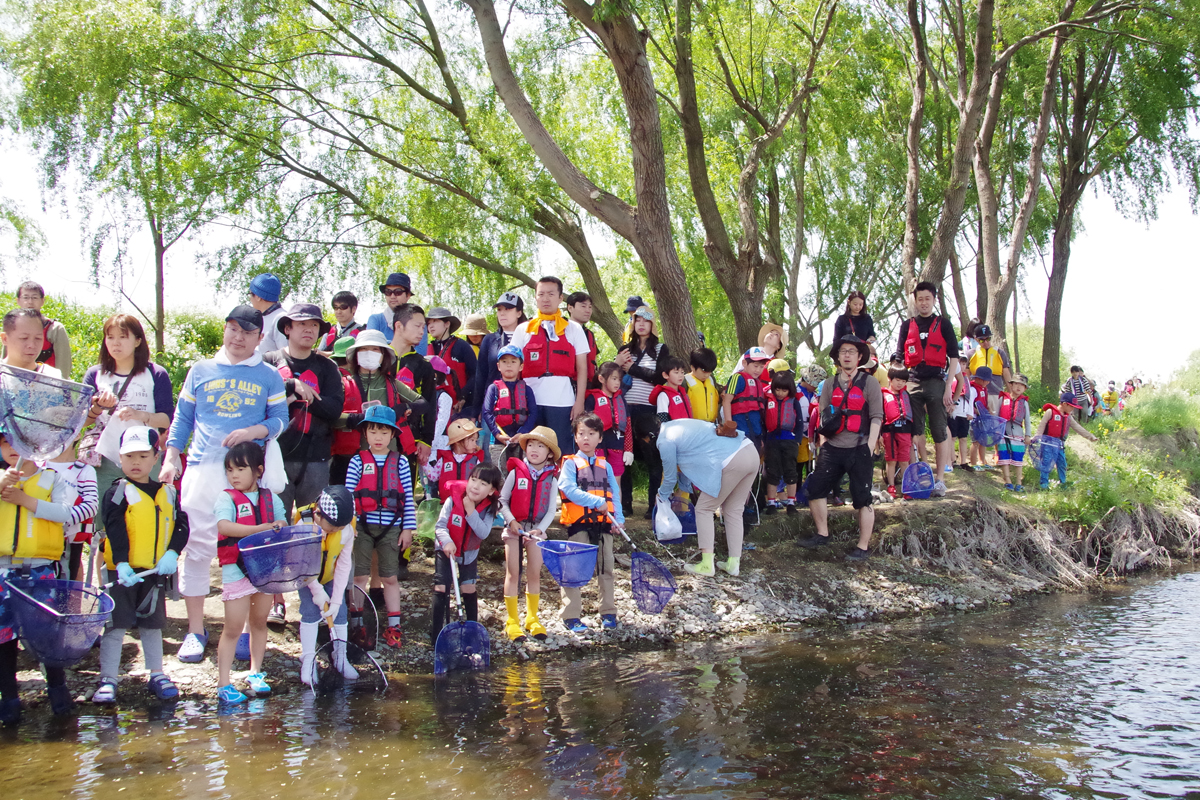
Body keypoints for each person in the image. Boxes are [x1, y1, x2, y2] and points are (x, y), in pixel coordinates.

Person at [160, 305, 288, 663]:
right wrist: (172, 456)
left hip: (247, 475)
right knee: (198, 548)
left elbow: (281, 419)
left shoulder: (269, 375)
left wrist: (254, 432)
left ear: (259, 339)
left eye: (247, 333)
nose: (238, 337)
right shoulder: (199, 370)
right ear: (225, 330)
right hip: (201, 470)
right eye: (233, 329)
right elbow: (182, 419)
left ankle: (248, 630)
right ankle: (195, 631)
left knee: (250, 549)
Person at [94, 426, 188, 706]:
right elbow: (113, 527)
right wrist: (121, 563)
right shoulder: (118, 491)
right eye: (129, 456)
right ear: (120, 459)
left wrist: (172, 553)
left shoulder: (169, 493)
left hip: (156, 570)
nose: (136, 462)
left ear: (156, 457)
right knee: (115, 626)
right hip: (123, 573)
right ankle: (108, 678)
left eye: (143, 456)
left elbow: (182, 525)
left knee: (153, 624)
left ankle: (157, 674)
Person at [0, 422, 77, 720]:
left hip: (40, 570)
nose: (12, 450)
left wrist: (26, 501)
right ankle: (9, 697)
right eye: (5, 443)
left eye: (18, 444)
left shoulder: (51, 479)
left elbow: (65, 513)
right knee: (4, 636)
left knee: (46, 633)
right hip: (4, 571)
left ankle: (58, 691)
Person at [80, 313, 175, 520]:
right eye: (110, 337)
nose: (115, 343)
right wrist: (97, 407)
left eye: (123, 337)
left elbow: (166, 419)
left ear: (137, 340)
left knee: (146, 518)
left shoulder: (155, 374)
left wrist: (140, 415)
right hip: (105, 458)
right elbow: (82, 421)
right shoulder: (95, 374)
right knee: (106, 522)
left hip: (145, 456)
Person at [213, 441, 286, 704]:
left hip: (265, 571)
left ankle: (255, 673)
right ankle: (224, 683)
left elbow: (282, 524)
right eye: (230, 469)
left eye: (240, 469)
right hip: (237, 572)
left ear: (258, 470)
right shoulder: (225, 498)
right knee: (232, 627)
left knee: (259, 622)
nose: (234, 475)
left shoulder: (272, 498)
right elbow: (225, 526)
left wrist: (277, 525)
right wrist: (261, 529)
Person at [798, 334, 883, 561]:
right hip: (833, 447)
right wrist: (823, 445)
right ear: (837, 356)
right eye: (843, 351)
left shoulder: (870, 383)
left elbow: (877, 416)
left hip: (859, 447)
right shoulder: (829, 384)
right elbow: (823, 417)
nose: (847, 355)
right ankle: (822, 533)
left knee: (862, 497)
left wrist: (870, 445)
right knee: (815, 489)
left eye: (852, 352)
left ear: (859, 357)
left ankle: (863, 546)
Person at [263, 303, 345, 520]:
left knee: (312, 525)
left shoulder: (327, 367)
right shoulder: (269, 362)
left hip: (316, 459)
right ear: (287, 328)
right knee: (275, 523)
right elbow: (258, 401)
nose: (309, 329)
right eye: (302, 324)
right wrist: (292, 385)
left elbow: (334, 409)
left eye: (314, 325)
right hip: (275, 456)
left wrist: (300, 397)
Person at [345, 406, 417, 648]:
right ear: (365, 434)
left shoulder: (402, 462)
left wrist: (408, 529)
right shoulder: (357, 461)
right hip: (362, 527)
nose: (378, 437)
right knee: (360, 576)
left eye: (384, 432)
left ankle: (394, 627)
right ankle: (357, 625)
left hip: (392, 528)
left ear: (392, 435)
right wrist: (350, 526)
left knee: (390, 577)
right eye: (373, 431)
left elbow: (407, 496)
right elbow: (348, 495)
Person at [657, 418, 759, 577]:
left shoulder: (664, 439)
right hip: (751, 451)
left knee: (704, 508)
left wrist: (661, 496)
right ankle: (733, 564)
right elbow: (686, 466)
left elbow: (670, 477)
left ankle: (706, 564)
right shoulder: (679, 426)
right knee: (733, 510)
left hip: (733, 458)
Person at [509, 277, 590, 459]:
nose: (546, 299)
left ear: (560, 298)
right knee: (531, 450)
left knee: (561, 450)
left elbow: (582, 369)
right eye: (541, 294)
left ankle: (561, 487)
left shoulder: (573, 329)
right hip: (530, 399)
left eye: (551, 294)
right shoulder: (523, 329)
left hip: (562, 399)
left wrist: (580, 402)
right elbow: (512, 366)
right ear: (536, 298)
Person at [557, 412, 624, 631]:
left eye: (592, 433)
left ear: (600, 438)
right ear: (575, 437)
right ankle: (571, 615)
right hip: (580, 524)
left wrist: (619, 519)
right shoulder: (570, 464)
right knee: (573, 569)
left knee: (606, 569)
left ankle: (608, 613)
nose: (586, 438)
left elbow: (614, 493)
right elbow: (567, 488)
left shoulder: (607, 466)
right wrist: (596, 501)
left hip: (604, 524)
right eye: (581, 434)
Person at [895, 281, 960, 496]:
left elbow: (953, 357)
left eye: (927, 299)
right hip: (912, 382)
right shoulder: (907, 325)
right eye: (920, 299)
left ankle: (940, 479)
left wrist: (949, 385)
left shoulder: (944, 324)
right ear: (915, 300)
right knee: (914, 430)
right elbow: (900, 359)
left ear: (934, 300)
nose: (924, 303)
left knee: (940, 430)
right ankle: (919, 475)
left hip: (936, 381)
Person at [498, 426, 560, 642]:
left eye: (540, 446)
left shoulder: (551, 479)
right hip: (515, 527)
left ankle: (532, 618)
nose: (534, 449)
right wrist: (512, 521)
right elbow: (502, 501)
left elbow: (552, 509)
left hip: (536, 530)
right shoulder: (516, 473)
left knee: (535, 573)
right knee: (513, 572)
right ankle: (512, 620)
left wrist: (540, 530)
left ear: (549, 453)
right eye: (531, 445)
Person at [430, 462, 502, 646]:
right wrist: (447, 542)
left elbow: (483, 532)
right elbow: (440, 526)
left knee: (468, 588)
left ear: (492, 490)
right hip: (446, 550)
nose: (476, 486)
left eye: (483, 484)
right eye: (473, 480)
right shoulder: (452, 500)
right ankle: (436, 633)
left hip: (469, 553)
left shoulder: (489, 509)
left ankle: (471, 631)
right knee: (441, 587)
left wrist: (470, 511)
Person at [296, 486, 359, 687]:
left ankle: (340, 656)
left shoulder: (346, 529)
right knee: (310, 612)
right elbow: (302, 564)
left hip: (331, 575)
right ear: (318, 514)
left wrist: (337, 598)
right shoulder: (304, 525)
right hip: (306, 577)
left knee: (339, 613)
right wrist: (317, 591)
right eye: (332, 528)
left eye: (339, 528)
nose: (336, 531)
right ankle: (308, 659)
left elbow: (343, 565)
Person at [617, 305, 668, 517]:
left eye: (646, 320)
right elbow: (613, 377)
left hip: (649, 411)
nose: (641, 324)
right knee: (624, 459)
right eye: (637, 320)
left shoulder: (661, 349)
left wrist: (633, 369)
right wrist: (617, 364)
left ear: (652, 324)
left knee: (653, 459)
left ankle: (652, 506)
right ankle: (625, 504)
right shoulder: (624, 349)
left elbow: (662, 376)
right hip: (626, 409)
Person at [468, 292, 527, 427]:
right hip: (493, 405)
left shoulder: (529, 337)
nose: (502, 313)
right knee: (490, 447)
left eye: (508, 309)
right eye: (499, 309)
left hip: (523, 405)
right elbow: (480, 376)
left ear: (519, 313)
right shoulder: (489, 340)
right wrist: (475, 410)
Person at [391, 303, 436, 467]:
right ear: (398, 326)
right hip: (378, 437)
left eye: (423, 327)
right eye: (417, 326)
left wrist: (426, 440)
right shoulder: (380, 358)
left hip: (410, 440)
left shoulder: (423, 365)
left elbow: (431, 405)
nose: (422, 332)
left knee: (405, 490)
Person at [481, 344, 541, 465]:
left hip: (522, 439)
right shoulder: (493, 388)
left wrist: (523, 433)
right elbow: (487, 412)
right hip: (499, 439)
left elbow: (533, 412)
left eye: (513, 361)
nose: (509, 365)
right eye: (504, 361)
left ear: (521, 366)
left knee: (521, 473)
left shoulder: (526, 389)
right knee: (500, 474)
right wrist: (497, 434)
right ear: (498, 366)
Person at [584, 361, 633, 508]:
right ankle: (595, 513)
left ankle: (616, 514)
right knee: (597, 480)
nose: (617, 382)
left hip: (617, 445)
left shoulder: (621, 400)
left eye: (619, 379)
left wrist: (629, 449)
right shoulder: (592, 399)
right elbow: (585, 426)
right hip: (597, 446)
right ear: (601, 379)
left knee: (615, 482)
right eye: (613, 378)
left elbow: (628, 426)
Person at [1035, 393, 1097, 489]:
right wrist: (1037, 437)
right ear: (1064, 404)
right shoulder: (1050, 412)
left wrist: (1090, 436)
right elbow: (1042, 425)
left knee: (1062, 463)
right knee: (1046, 462)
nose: (1073, 409)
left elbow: (1077, 427)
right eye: (1071, 406)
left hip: (1060, 444)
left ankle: (1063, 483)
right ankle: (1044, 483)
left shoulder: (1068, 417)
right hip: (1047, 442)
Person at [762, 371, 803, 514]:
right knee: (772, 472)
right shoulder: (768, 401)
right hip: (772, 441)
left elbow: (799, 423)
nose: (780, 393)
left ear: (789, 390)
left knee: (791, 472)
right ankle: (771, 502)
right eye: (777, 389)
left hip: (789, 441)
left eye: (784, 390)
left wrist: (797, 440)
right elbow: (763, 422)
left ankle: (791, 502)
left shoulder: (794, 402)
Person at [11, 280, 71, 376]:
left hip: (47, 385)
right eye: (26, 297)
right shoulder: (12, 328)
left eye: (34, 298)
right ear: (18, 301)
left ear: (42, 301)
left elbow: (64, 367)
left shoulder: (55, 329)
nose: (30, 302)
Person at [426, 307, 478, 412]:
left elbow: (475, 374)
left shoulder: (462, 346)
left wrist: (463, 397)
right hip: (434, 407)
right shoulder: (427, 348)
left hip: (460, 407)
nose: (431, 325)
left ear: (447, 324)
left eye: (435, 321)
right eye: (429, 322)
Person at [722, 346, 772, 450]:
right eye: (755, 366)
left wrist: (761, 436)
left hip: (756, 433)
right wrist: (729, 426)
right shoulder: (737, 378)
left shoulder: (758, 382)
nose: (758, 370)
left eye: (761, 367)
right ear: (744, 363)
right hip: (740, 432)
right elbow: (727, 401)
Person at [365, 272, 427, 355]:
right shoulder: (376, 320)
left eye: (398, 292)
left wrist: (385, 345)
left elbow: (421, 354)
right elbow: (370, 349)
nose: (392, 296)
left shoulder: (419, 323)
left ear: (408, 296)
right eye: (388, 292)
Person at [880, 367, 913, 498]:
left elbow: (913, 416)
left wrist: (914, 434)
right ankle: (891, 486)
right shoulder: (883, 395)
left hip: (905, 431)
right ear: (890, 379)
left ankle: (906, 488)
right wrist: (880, 435)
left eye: (903, 381)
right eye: (897, 380)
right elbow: (880, 415)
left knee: (904, 460)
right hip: (889, 432)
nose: (900, 383)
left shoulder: (907, 396)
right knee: (891, 460)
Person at [2, 308, 62, 377]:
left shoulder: (53, 377)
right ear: (5, 339)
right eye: (24, 338)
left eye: (38, 338)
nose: (32, 345)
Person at [997, 374, 1033, 492]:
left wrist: (1028, 435)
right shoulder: (1002, 399)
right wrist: (996, 431)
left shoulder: (1024, 403)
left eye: (1021, 385)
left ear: (1025, 389)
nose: (1018, 387)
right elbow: (997, 416)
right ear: (1011, 385)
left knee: (1018, 459)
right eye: (1016, 384)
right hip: (1004, 433)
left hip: (1018, 435)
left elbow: (1027, 420)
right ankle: (1007, 481)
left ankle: (1018, 482)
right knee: (1004, 457)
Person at [435, 418, 486, 499]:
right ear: (458, 441)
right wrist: (424, 462)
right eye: (472, 440)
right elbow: (434, 476)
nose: (475, 445)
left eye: (476, 441)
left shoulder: (476, 460)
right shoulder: (444, 459)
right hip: (447, 503)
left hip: (468, 503)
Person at [565, 291, 600, 388]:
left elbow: (594, 362)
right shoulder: (561, 331)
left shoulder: (590, 334)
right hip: (568, 385)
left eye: (590, 307)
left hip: (590, 386)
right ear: (570, 308)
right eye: (583, 306)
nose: (588, 310)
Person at [247, 273, 287, 355]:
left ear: (258, 297)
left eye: (250, 294)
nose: (250, 299)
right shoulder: (261, 318)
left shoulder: (281, 319)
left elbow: (287, 356)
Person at [967, 324, 1012, 394]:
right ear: (976, 339)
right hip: (976, 393)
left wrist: (1011, 393)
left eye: (988, 339)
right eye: (982, 340)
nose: (985, 342)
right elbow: (967, 375)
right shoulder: (970, 354)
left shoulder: (1000, 353)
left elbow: (1006, 374)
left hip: (996, 393)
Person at [948, 359, 976, 470]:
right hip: (954, 412)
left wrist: (970, 412)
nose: (962, 366)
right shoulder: (951, 378)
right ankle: (952, 459)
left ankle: (963, 461)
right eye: (960, 363)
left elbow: (970, 398)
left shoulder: (966, 380)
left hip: (964, 413)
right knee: (952, 437)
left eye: (964, 364)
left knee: (963, 437)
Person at [969, 366, 998, 470]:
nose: (988, 383)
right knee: (975, 441)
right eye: (987, 380)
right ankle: (973, 463)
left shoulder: (984, 389)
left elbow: (984, 402)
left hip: (983, 418)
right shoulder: (973, 389)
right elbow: (969, 404)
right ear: (979, 379)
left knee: (983, 440)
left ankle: (982, 461)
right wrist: (977, 412)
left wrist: (988, 409)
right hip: (975, 419)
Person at [650, 357, 692, 422]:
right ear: (665, 375)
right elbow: (662, 419)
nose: (680, 375)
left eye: (682, 372)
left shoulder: (683, 393)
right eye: (676, 372)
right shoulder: (663, 395)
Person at [685, 348, 720, 423]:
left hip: (711, 425)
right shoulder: (684, 382)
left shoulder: (711, 381)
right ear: (693, 367)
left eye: (710, 371)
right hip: (692, 425)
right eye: (704, 371)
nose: (707, 375)